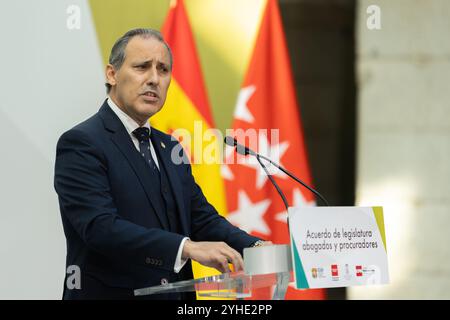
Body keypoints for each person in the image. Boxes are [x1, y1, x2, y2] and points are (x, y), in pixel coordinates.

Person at [54, 28, 269, 300]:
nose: (154, 79)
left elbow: (200, 218)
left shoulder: (171, 147)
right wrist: (186, 248)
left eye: (163, 70)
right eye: (142, 67)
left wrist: (256, 246)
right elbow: (100, 228)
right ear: (112, 74)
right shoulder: (82, 143)